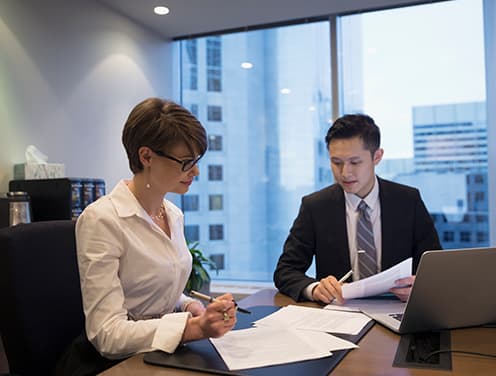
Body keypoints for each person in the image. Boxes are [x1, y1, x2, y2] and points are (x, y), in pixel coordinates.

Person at [56, 98, 237, 375]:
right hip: (111, 365)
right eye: (186, 162)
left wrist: (190, 304)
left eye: (197, 160)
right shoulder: (102, 219)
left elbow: (149, 292)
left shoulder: (173, 214)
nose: (196, 171)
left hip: (157, 356)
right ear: (146, 157)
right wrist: (192, 328)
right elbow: (107, 335)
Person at [273, 114, 441, 305]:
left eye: (355, 162)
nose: (345, 173)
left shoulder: (408, 201)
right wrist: (314, 289)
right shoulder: (315, 206)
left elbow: (435, 268)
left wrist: (420, 288)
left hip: (398, 309)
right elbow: (285, 271)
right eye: (336, 162)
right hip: (339, 315)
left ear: (377, 157)